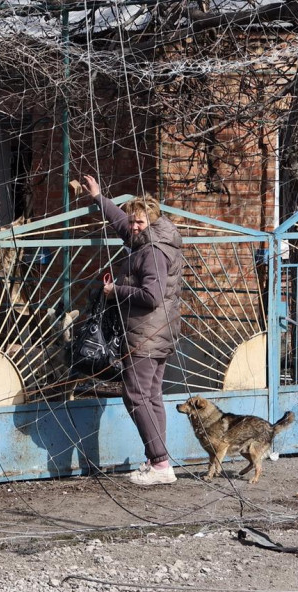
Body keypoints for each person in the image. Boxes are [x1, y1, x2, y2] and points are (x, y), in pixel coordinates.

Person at [82, 174, 183, 486]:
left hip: (146, 334)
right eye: (133, 222)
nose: (133, 227)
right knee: (151, 396)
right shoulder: (152, 239)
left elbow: (151, 296)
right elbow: (122, 224)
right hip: (158, 332)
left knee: (136, 396)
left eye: (139, 222)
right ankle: (160, 461)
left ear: (151, 222)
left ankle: (159, 464)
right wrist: (99, 198)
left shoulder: (152, 252)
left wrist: (117, 290)